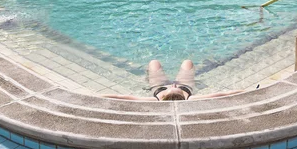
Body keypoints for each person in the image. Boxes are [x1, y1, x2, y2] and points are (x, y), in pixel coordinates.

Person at [102, 60, 244, 101]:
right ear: (182, 94)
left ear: (164, 94)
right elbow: (220, 95)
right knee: (188, 62)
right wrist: (242, 91)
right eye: (176, 86)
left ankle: (148, 78)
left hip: (158, 85)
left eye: (172, 86)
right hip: (186, 85)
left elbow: (125, 97)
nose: (173, 84)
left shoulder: (156, 100)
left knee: (153, 63)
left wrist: (100, 96)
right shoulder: (190, 99)